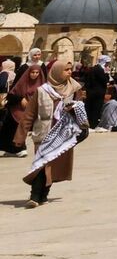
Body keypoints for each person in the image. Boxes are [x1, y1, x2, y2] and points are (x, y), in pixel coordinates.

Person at [22, 59, 85, 208]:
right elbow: (30, 113)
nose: (70, 72)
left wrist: (76, 115)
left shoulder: (74, 89)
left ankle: (43, 194)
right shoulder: (42, 90)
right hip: (44, 133)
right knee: (42, 164)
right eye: (66, 69)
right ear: (56, 71)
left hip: (63, 134)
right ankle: (35, 195)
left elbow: (81, 110)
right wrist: (21, 135)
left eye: (70, 69)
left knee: (53, 166)